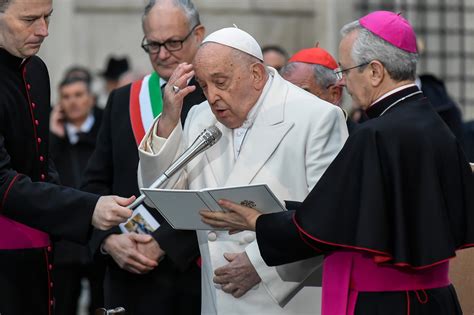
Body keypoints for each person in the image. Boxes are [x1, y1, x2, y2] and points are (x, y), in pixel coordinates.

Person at [201, 11, 474, 315]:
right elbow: (354, 211)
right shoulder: (435, 124)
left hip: (387, 304)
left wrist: (256, 221)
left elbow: (323, 226)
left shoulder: (375, 135)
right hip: (437, 301)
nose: (342, 80)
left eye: (346, 69)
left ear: (375, 71)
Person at [138, 27, 348, 314]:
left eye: (220, 82)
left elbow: (330, 219)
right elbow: (161, 196)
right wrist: (168, 120)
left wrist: (261, 267)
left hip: (285, 296)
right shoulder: (200, 117)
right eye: (203, 85)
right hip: (218, 299)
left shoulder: (317, 117)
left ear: (256, 75)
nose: (211, 97)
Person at [0, 0, 135, 314]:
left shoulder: (35, 69)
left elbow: (41, 162)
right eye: (30, 19)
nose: (43, 30)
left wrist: (96, 227)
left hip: (41, 251)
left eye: (48, 17)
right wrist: (88, 209)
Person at [81, 0, 207, 313]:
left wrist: (164, 243)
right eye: (153, 45)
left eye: (173, 43)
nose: (162, 54)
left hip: (193, 276)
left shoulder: (216, 98)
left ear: (198, 35)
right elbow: (94, 185)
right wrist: (108, 241)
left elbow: (221, 187)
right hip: (128, 279)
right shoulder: (123, 100)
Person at [49, 76, 105, 315]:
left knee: (102, 304)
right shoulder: (50, 137)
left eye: (79, 95)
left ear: (91, 99)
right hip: (64, 242)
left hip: (101, 238)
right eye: (67, 97)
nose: (73, 102)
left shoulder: (104, 132)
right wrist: (54, 137)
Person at [280, 46, 356, 132]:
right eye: (287, 95)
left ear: (334, 94)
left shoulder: (359, 138)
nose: (292, 105)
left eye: (304, 93)